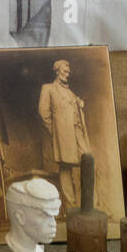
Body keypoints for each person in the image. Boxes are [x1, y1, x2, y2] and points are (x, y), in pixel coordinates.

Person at [37, 59, 90, 210]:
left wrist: (79, 105)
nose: (67, 74)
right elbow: (43, 113)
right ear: (57, 71)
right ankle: (71, 207)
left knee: (87, 160)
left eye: (68, 72)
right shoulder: (48, 88)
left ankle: (85, 205)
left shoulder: (71, 92)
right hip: (63, 135)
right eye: (65, 71)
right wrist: (55, 133)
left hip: (78, 131)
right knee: (65, 167)